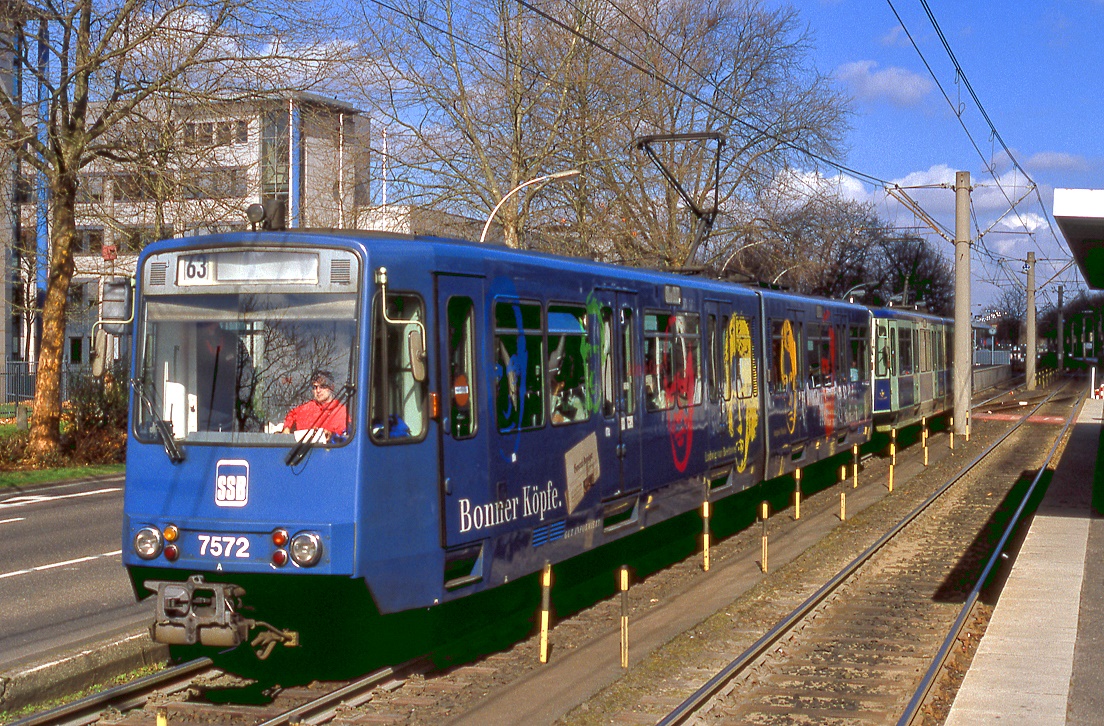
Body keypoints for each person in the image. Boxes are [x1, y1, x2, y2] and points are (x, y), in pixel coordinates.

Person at [282, 371, 348, 440]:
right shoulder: (305, 409)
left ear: (331, 387)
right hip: (302, 450)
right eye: (315, 387)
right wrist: (287, 428)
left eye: (322, 386)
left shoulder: (342, 412)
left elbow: (346, 439)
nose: (318, 390)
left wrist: (332, 436)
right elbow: (291, 415)